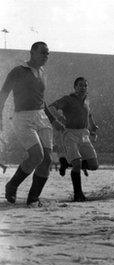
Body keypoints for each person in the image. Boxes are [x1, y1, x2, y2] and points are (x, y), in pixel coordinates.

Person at [0, 42, 64, 205]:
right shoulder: (18, 71)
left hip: (41, 117)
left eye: (47, 53)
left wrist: (53, 119)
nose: (46, 56)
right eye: (43, 53)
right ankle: (12, 185)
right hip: (22, 117)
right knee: (37, 156)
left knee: (47, 160)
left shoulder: (43, 72)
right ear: (32, 53)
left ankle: (33, 198)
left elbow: (42, 101)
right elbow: (3, 95)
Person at [48, 77, 99, 201]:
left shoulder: (87, 101)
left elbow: (89, 114)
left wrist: (92, 126)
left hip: (84, 134)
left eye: (85, 86)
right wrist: (58, 116)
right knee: (77, 163)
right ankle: (78, 194)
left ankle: (65, 162)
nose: (83, 88)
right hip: (69, 133)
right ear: (75, 87)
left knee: (94, 165)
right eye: (80, 85)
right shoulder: (68, 99)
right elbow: (51, 107)